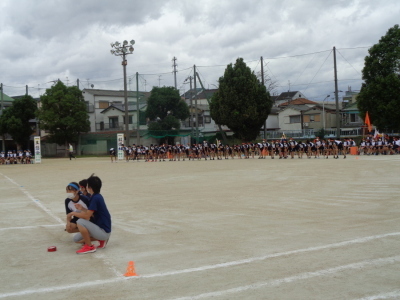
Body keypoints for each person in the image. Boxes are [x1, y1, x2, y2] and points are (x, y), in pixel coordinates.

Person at [69, 174, 111, 254]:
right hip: (101, 229)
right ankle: (101, 240)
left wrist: (72, 213)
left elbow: (87, 216)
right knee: (76, 240)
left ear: (90, 187)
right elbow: (91, 214)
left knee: (80, 221)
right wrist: (82, 208)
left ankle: (89, 246)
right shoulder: (96, 196)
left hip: (103, 231)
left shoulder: (95, 198)